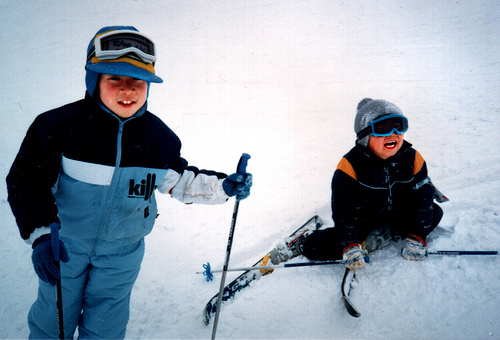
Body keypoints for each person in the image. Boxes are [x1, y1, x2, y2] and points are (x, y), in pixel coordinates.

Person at [6, 26, 252, 339]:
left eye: (137, 81)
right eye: (115, 79)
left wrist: (224, 187)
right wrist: (41, 234)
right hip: (64, 247)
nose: (128, 90)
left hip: (122, 253)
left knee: (107, 323)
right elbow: (27, 180)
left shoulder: (159, 139)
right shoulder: (59, 126)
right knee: (53, 321)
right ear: (93, 80)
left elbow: (180, 181)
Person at [270, 98, 443, 271]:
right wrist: (350, 244)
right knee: (334, 246)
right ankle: (302, 242)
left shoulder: (413, 158)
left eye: (399, 126)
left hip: (396, 214)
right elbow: (343, 210)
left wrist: (418, 236)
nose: (393, 134)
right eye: (382, 129)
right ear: (364, 136)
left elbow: (423, 197)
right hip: (362, 220)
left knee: (434, 213)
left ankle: (385, 233)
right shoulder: (350, 166)